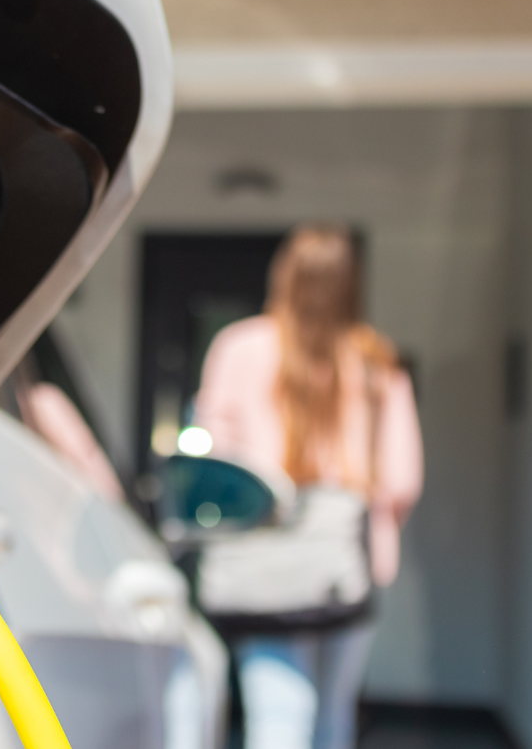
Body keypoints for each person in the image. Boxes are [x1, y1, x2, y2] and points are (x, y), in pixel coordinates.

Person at [192, 225, 423, 749]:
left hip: (262, 555)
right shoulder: (376, 359)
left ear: (285, 274)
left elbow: (214, 458)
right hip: (348, 565)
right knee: (332, 716)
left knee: (278, 716)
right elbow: (402, 481)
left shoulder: (239, 346)